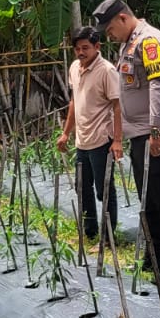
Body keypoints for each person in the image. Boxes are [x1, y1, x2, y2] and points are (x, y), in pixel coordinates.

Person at [92, 0, 160, 276]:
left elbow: (159, 86)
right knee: (149, 199)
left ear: (123, 18)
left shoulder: (150, 41)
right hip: (140, 135)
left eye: (110, 29)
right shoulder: (128, 43)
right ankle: (155, 257)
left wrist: (156, 130)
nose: (109, 36)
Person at [56, 26, 123, 245]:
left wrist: (117, 140)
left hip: (101, 140)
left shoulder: (107, 71)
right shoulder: (75, 68)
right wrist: (66, 133)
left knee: (104, 189)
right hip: (82, 140)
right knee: (82, 187)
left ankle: (108, 236)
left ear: (97, 47)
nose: (81, 52)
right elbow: (74, 101)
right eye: (77, 48)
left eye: (86, 47)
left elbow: (117, 106)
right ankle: (90, 231)